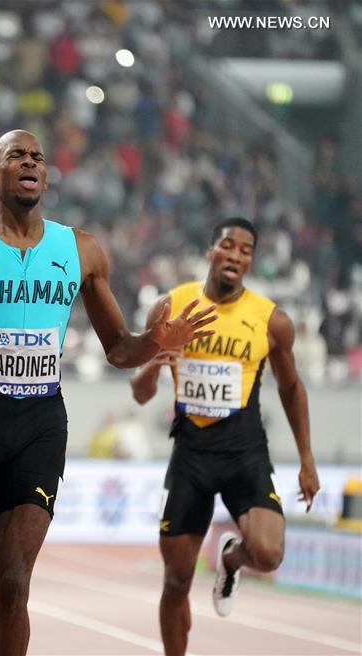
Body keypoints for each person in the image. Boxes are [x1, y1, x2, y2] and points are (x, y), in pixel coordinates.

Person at [0, 129, 217, 656]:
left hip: (41, 430)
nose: (29, 161)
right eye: (16, 155)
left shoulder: (80, 250)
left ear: (46, 175)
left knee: (14, 587)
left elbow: (118, 349)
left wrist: (157, 342)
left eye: (38, 157)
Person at [129, 217, 320, 656]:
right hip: (191, 456)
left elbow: (292, 389)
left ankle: (231, 559)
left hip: (244, 453)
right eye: (228, 246)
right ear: (211, 250)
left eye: (245, 250)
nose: (235, 255)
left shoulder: (272, 321)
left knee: (269, 554)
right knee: (175, 580)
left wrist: (307, 460)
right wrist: (159, 359)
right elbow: (140, 394)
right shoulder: (169, 306)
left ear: (251, 260)